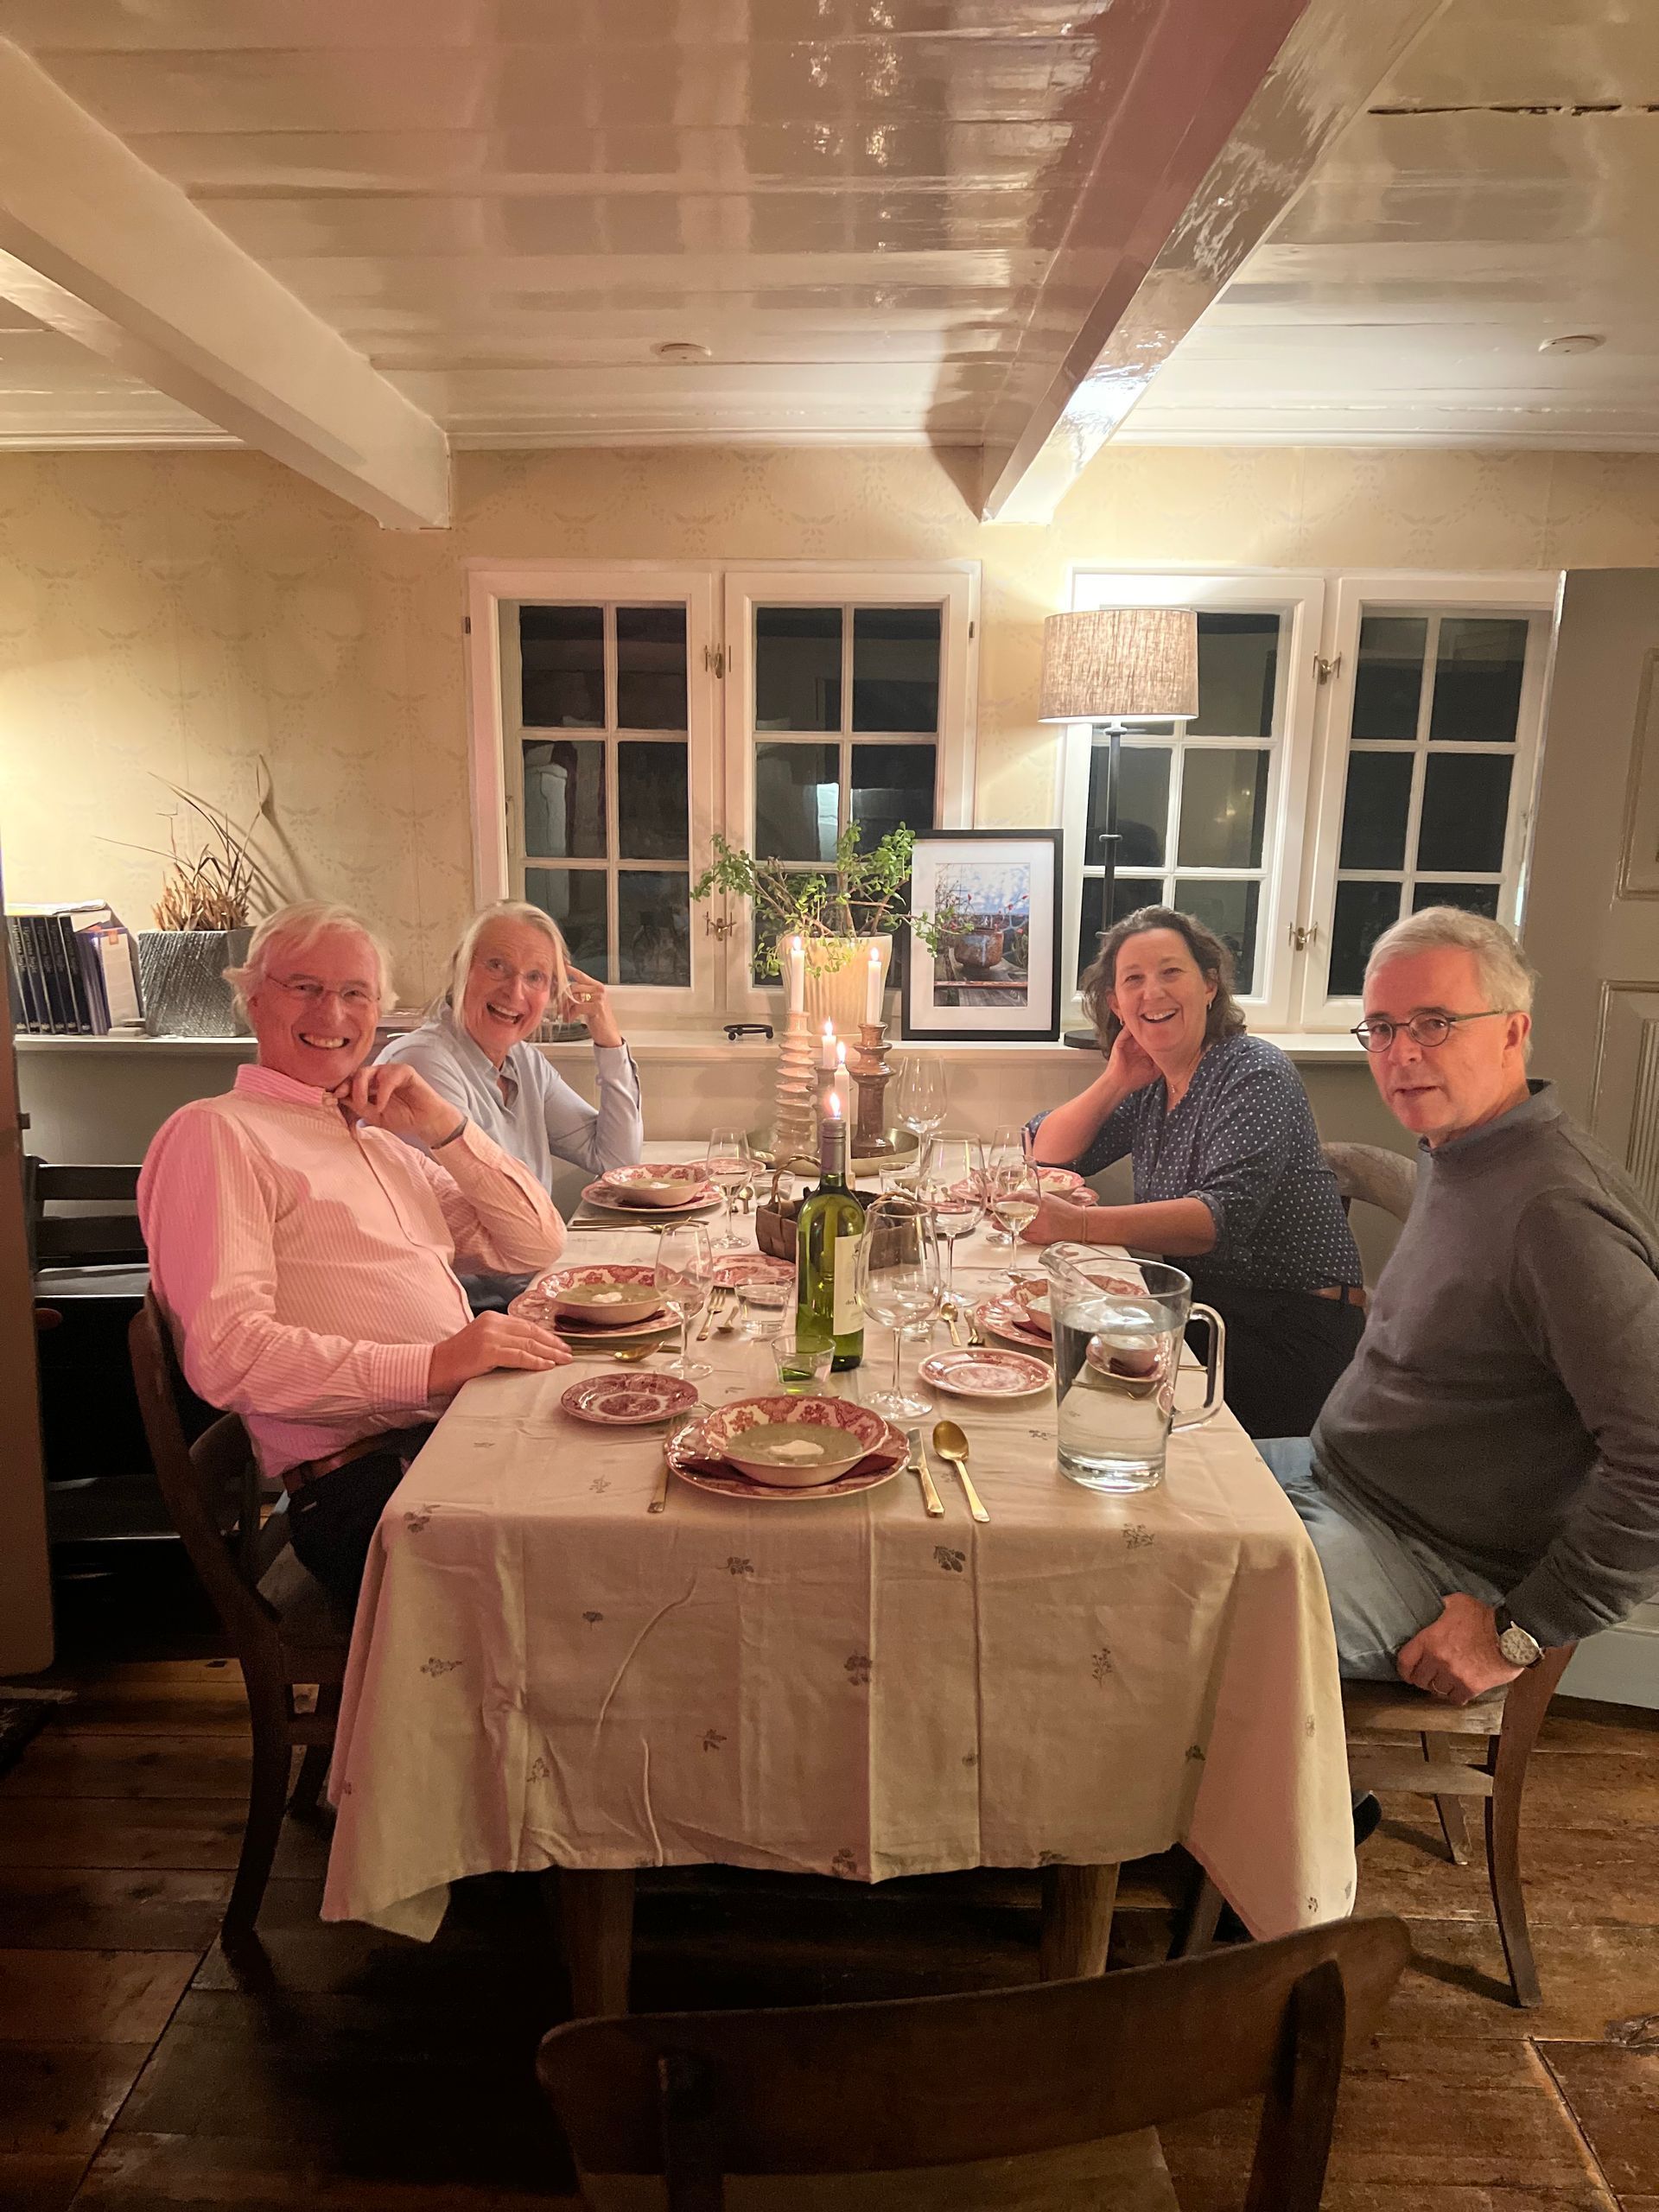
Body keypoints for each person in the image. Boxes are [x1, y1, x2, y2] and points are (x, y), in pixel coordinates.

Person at [1257, 906, 1659, 1704]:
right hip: (1336, 1479)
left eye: (1435, 1023)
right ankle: (1302, 1798)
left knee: (1168, 1613)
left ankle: (1261, 1821)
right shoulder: (1464, 1150)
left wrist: (1521, 1630)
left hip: (1434, 1562)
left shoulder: (1555, 1214)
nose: (1402, 1053)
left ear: (1513, 1032)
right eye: (1381, 1026)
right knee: (1135, 1501)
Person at [137, 902, 573, 1609]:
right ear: (253, 999)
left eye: (355, 993)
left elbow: (534, 1242)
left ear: (379, 1012)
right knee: (615, 1561)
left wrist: (442, 1125)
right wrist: (431, 1365)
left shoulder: (372, 1138)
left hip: (446, 1442)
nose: (331, 1011)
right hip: (367, 1487)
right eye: (304, 987)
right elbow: (228, 1355)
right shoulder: (218, 1135)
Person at [1022, 906, 1364, 1439]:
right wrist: (1116, 1078)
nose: (1151, 992)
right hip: (1207, 1311)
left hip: (1288, 1331)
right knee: (1059, 1376)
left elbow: (1216, 1219)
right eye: (1132, 980)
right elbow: (1046, 1153)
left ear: (1209, 985)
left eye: (1170, 972)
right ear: (1115, 1003)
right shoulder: (1156, 1083)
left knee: (1101, 1413)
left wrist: (1080, 1225)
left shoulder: (1253, 1071)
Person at [376, 900, 643, 1192]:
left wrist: (608, 1040)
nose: (515, 991)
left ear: (553, 993)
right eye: (497, 966)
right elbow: (481, 1205)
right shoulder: (422, 1062)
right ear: (460, 969)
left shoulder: (526, 1063)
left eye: (535, 976)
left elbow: (616, 1160)